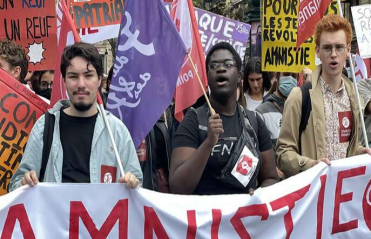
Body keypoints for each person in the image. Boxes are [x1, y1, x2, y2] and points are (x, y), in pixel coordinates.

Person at [9, 42, 143, 191]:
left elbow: (138, 188)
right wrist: (24, 183)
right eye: (73, 76)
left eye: (88, 75)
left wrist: (132, 183)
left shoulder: (117, 131)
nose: (81, 84)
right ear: (64, 81)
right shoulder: (45, 126)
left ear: (99, 79)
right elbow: (16, 187)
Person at [170, 42, 279, 195]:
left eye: (228, 64)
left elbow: (271, 178)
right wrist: (208, 143)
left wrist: (257, 196)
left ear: (239, 76)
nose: (221, 68)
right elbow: (177, 187)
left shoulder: (254, 122)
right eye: (213, 66)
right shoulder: (193, 121)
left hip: (244, 217)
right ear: (207, 78)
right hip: (206, 217)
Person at [276, 15, 371, 178]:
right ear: (317, 51)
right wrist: (311, 165)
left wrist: (361, 152)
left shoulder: (355, 98)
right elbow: (282, 153)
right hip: (313, 195)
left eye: (339, 47)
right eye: (327, 48)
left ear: (348, 50)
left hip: (343, 195)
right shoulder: (299, 97)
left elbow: (350, 146)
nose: (333, 54)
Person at [256, 72, 297, 148]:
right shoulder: (261, 112)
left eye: (294, 76)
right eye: (286, 74)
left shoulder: (300, 109)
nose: (290, 79)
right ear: (276, 76)